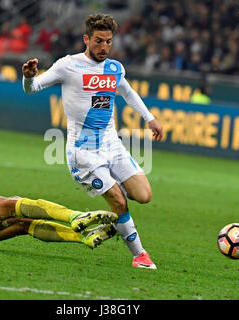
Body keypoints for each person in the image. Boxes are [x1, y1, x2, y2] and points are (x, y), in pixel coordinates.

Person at [21, 14, 164, 269]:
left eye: (108, 41)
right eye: (98, 41)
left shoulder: (114, 69)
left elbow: (129, 94)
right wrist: (29, 77)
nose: (104, 47)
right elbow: (32, 89)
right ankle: (140, 255)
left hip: (111, 146)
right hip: (83, 153)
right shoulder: (68, 65)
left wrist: (150, 119)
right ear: (86, 39)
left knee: (143, 195)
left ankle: (116, 219)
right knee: (119, 201)